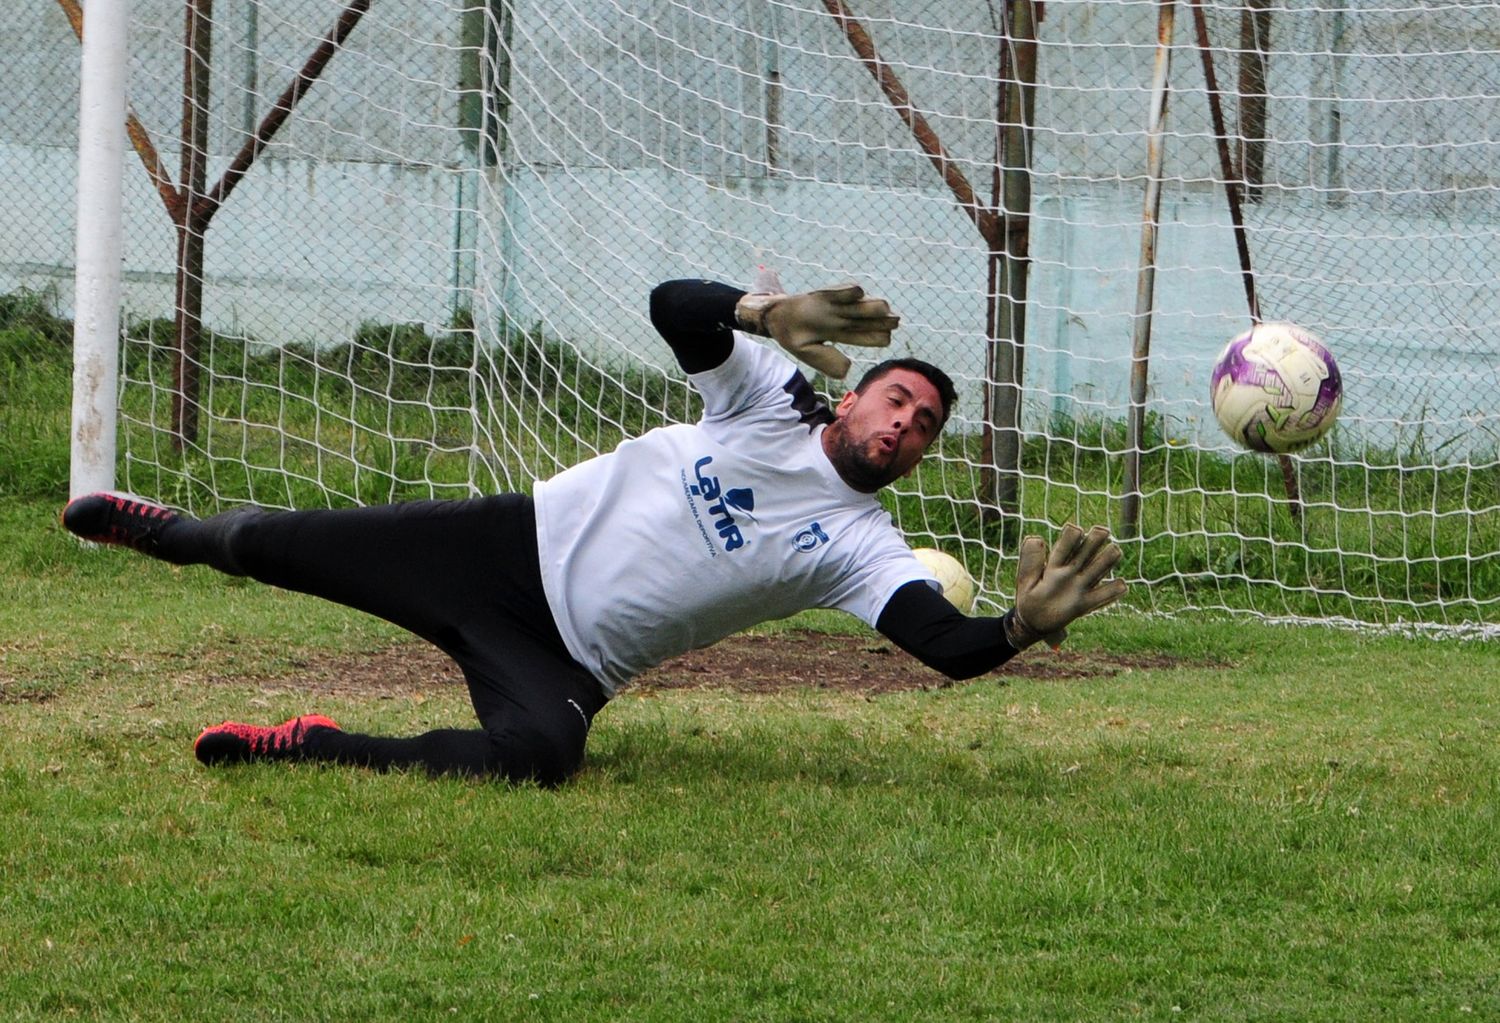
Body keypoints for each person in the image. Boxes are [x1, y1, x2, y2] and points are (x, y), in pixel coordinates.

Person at [62, 275, 1127, 785]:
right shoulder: (770, 401)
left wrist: (1019, 627)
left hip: (570, 656)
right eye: (896, 400)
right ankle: (171, 533)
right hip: (501, 546)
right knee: (274, 546)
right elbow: (676, 306)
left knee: (539, 758)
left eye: (926, 425)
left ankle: (309, 745)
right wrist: (763, 314)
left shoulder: (863, 546)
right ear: (851, 401)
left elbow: (941, 646)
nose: (905, 425)